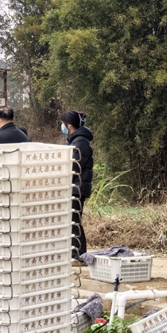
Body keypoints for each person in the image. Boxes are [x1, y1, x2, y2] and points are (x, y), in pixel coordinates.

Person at [61, 110, 93, 260]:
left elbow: (74, 166)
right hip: (74, 187)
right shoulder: (74, 139)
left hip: (77, 188)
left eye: (63, 124)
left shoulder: (80, 141)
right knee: (73, 221)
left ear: (69, 125)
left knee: (74, 222)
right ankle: (77, 254)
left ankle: (77, 255)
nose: (61, 127)